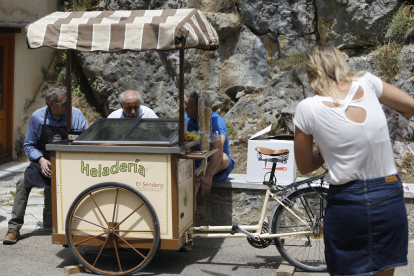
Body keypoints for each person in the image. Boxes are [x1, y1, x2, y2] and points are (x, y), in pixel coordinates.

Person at [293, 44, 414, 276]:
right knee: (384, 270)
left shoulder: (307, 108)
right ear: (341, 62)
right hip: (388, 194)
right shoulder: (368, 82)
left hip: (347, 201)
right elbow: (409, 105)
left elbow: (305, 165)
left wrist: (327, 151)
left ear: (311, 72)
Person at [2, 86, 88, 245]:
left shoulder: (75, 115)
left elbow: (86, 140)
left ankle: (74, 227)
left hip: (69, 163)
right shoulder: (37, 117)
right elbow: (29, 145)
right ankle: (14, 228)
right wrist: (41, 160)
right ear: (51, 104)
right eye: (64, 103)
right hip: (44, 163)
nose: (67, 105)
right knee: (22, 182)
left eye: (68, 102)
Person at [185, 90, 235, 196]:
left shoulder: (216, 121)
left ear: (200, 109)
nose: (186, 109)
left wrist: (208, 175)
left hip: (216, 166)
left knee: (224, 158)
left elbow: (218, 148)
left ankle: (189, 210)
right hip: (193, 165)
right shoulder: (186, 120)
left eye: (189, 107)